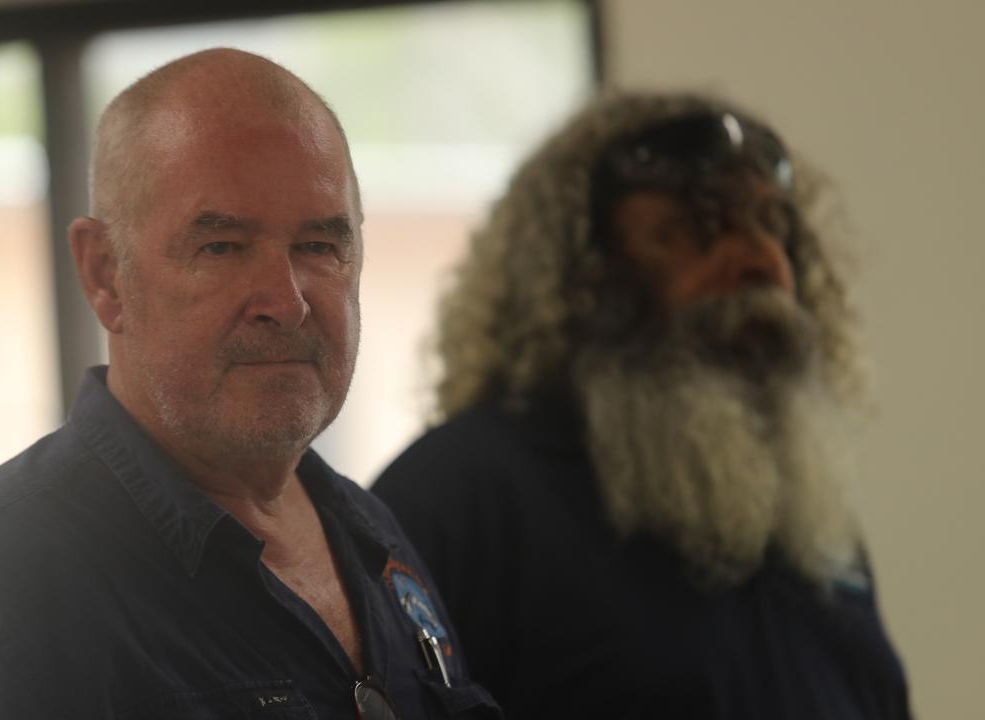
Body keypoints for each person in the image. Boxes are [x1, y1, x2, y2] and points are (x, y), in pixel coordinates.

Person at [0, 48, 498, 719]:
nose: (285, 300)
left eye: (319, 245)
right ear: (105, 275)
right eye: (222, 247)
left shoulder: (371, 536)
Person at [372, 93, 912, 718]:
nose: (762, 261)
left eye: (773, 225)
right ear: (582, 277)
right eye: (697, 229)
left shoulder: (809, 524)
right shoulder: (459, 497)